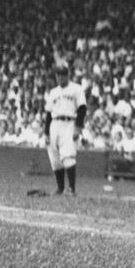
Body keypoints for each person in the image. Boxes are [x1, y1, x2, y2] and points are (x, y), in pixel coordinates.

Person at [39, 62, 89, 196]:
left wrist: (78, 128)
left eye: (63, 74)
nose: (60, 77)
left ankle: (72, 189)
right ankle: (60, 188)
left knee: (68, 155)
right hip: (54, 124)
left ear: (68, 75)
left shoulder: (76, 89)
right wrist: (46, 133)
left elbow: (82, 109)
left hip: (69, 123)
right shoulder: (53, 92)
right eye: (58, 74)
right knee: (54, 157)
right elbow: (49, 114)